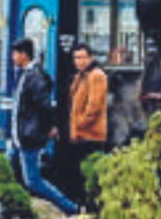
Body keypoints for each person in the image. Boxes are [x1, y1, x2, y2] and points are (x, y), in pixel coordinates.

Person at [5, 38, 80, 217]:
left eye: (14, 53)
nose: (12, 57)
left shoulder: (35, 77)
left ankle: (70, 208)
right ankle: (8, 211)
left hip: (28, 137)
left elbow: (45, 106)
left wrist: (50, 126)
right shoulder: (23, 74)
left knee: (33, 182)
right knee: (9, 173)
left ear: (24, 54)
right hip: (18, 137)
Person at [66, 43, 108, 205]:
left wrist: (79, 127)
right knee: (79, 175)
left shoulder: (96, 75)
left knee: (90, 176)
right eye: (76, 58)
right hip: (79, 135)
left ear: (90, 58)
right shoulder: (80, 76)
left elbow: (94, 108)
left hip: (91, 136)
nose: (79, 61)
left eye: (83, 57)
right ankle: (82, 205)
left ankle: (90, 207)